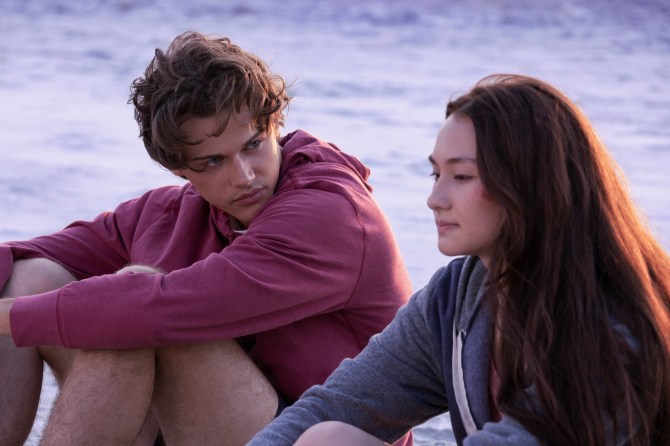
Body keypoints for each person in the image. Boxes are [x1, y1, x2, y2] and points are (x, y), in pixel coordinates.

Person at [0, 31, 413, 446]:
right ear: (179, 168)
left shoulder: (331, 213)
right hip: (219, 424)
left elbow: (151, 309)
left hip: (328, 436)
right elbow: (17, 256)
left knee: (134, 309)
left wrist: (11, 319)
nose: (244, 176)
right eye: (214, 161)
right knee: (29, 277)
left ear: (275, 126)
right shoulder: (169, 213)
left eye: (254, 145)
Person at [247, 74, 670, 446]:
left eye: (462, 176)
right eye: (437, 174)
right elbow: (338, 404)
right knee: (327, 437)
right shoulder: (455, 296)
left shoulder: (611, 324)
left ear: (529, 183)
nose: (435, 199)